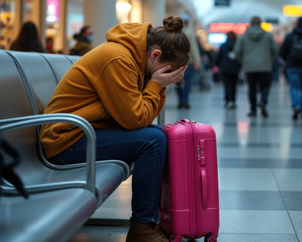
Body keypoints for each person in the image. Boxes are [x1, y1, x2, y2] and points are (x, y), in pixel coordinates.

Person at [40, 16, 189, 242]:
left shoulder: (133, 59)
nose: (166, 77)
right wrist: (157, 85)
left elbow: (142, 116)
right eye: (168, 72)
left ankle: (147, 223)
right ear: (155, 55)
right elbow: (135, 119)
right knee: (153, 140)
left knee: (156, 136)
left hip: (85, 133)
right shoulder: (118, 59)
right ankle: (142, 228)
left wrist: (158, 87)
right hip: (65, 141)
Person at [234, 16, 279, 117]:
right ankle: (263, 101)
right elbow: (275, 49)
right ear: (260, 23)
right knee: (265, 86)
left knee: (252, 88)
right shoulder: (268, 35)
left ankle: (253, 110)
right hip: (265, 65)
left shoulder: (244, 36)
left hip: (249, 66)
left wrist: (243, 60)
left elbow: (237, 51)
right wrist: (270, 59)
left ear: (251, 23)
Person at [176, 17, 201, 109]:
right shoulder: (189, 32)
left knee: (177, 81)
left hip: (176, 61)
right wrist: (197, 60)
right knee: (186, 82)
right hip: (187, 61)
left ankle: (180, 101)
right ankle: (185, 100)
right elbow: (193, 47)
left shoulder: (175, 32)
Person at [215, 31, 241, 109]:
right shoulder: (238, 45)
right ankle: (233, 101)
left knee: (227, 85)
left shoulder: (223, 45)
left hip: (225, 69)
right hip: (235, 68)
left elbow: (218, 57)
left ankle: (227, 101)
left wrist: (217, 65)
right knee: (234, 85)